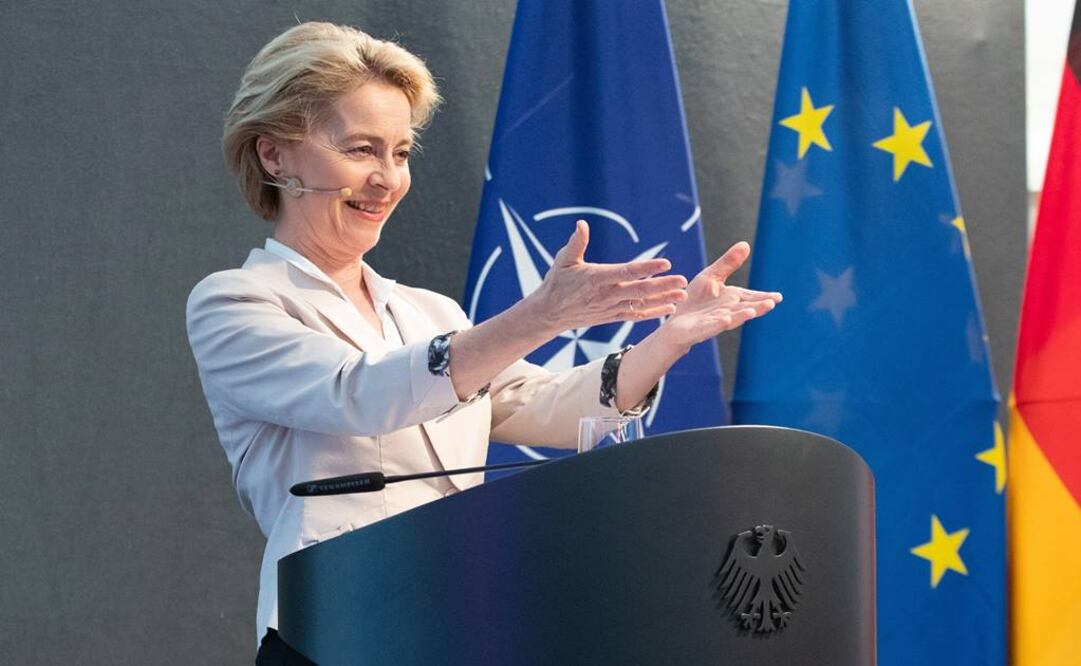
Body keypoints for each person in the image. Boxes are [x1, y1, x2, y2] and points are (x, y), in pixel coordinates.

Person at [186, 22, 782, 663]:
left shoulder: (429, 312)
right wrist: (538, 315)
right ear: (274, 154)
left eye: (401, 152)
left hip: (459, 625)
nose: (387, 179)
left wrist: (668, 341)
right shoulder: (236, 302)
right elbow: (358, 393)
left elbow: (545, 407)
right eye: (361, 149)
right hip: (333, 631)